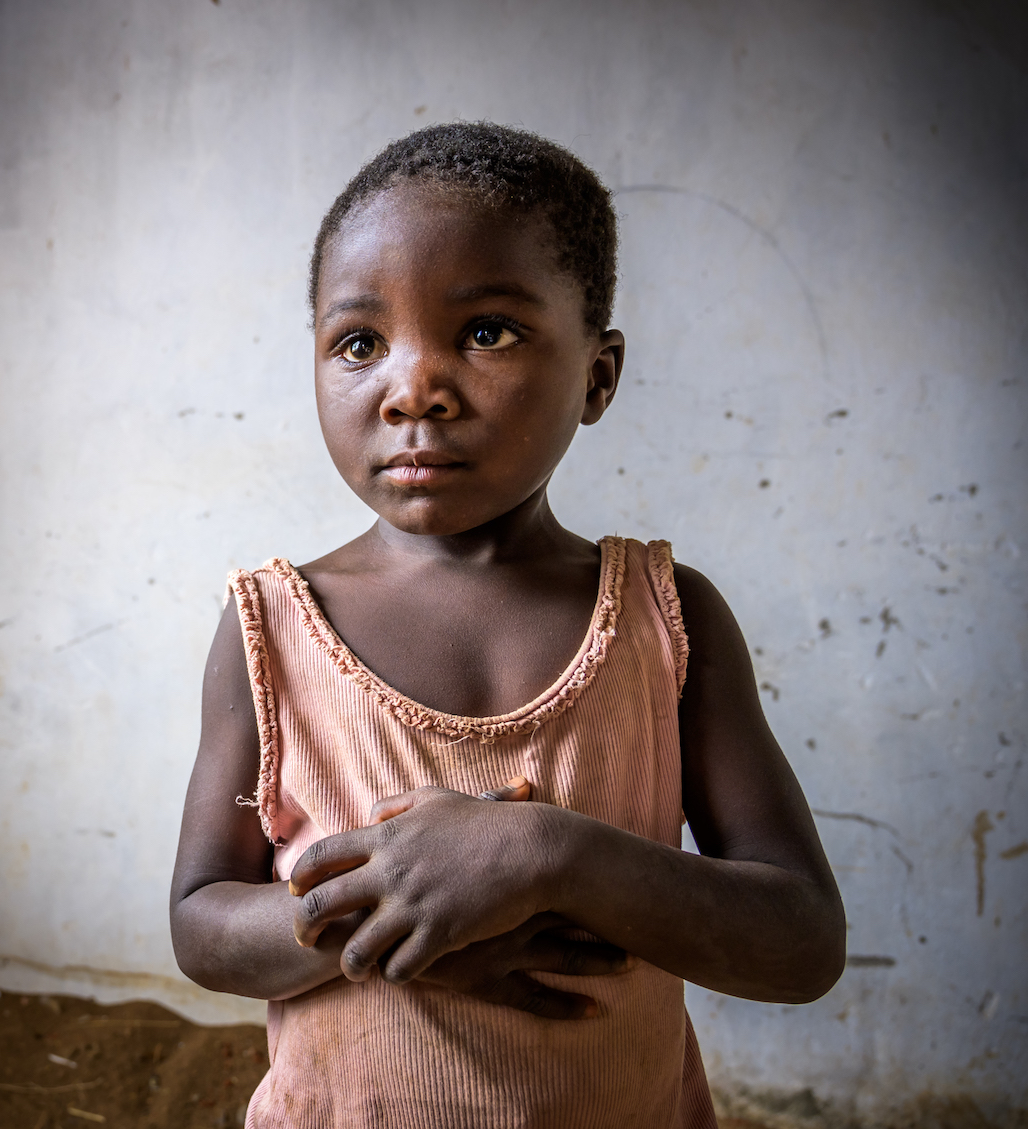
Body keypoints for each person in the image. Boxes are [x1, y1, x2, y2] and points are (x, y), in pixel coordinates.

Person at [167, 123, 845, 1128]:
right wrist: (396, 927)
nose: (413, 390)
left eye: (486, 332)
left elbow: (801, 942)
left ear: (597, 377)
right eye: (360, 343)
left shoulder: (667, 622)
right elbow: (201, 922)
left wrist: (549, 854)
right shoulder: (271, 628)